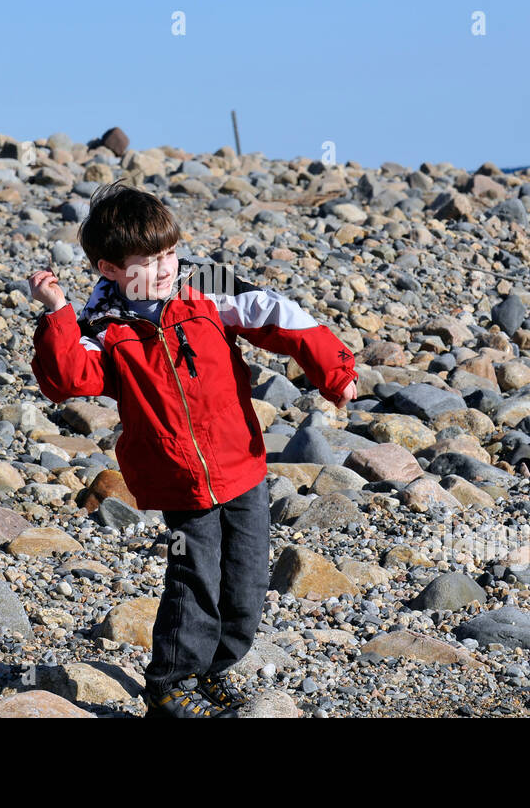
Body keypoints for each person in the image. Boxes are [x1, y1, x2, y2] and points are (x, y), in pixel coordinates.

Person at [28, 181, 358, 717]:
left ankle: (213, 671)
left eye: (169, 254)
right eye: (147, 262)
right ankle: (170, 684)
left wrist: (334, 371)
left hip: (241, 463)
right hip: (178, 477)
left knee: (247, 583)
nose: (164, 269)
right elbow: (66, 379)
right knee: (195, 576)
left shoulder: (205, 288)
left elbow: (277, 314)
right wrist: (58, 311)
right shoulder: (100, 325)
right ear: (109, 269)